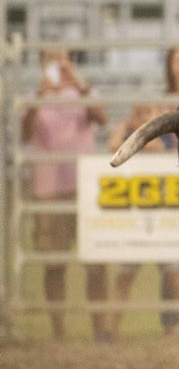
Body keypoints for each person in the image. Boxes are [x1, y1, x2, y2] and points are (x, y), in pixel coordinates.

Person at [107, 45, 179, 344]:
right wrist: (130, 124)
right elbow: (116, 147)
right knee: (139, 272)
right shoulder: (151, 118)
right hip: (147, 203)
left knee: (174, 271)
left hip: (169, 199)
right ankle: (112, 330)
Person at [22, 47, 113, 343]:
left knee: (97, 260)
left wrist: (80, 84)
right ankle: (59, 330)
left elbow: (101, 117)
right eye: (50, 58)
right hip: (48, 189)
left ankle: (99, 329)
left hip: (83, 185)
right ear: (40, 64)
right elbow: (25, 133)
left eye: (62, 58)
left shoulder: (84, 93)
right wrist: (39, 97)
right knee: (54, 262)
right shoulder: (35, 97)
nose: (58, 65)